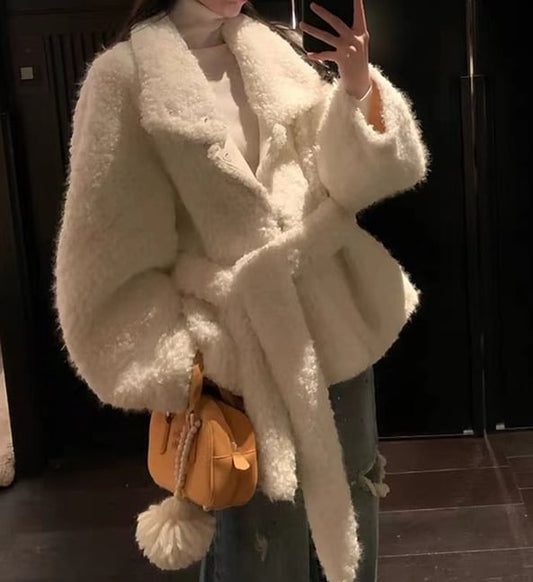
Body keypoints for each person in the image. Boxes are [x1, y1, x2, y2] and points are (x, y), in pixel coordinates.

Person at [52, 0, 428, 580]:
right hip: (236, 354)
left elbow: (347, 186)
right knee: (258, 535)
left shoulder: (274, 49)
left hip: (328, 330)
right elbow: (107, 258)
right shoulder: (125, 79)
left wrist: (357, 88)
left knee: (354, 496)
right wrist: (190, 363)